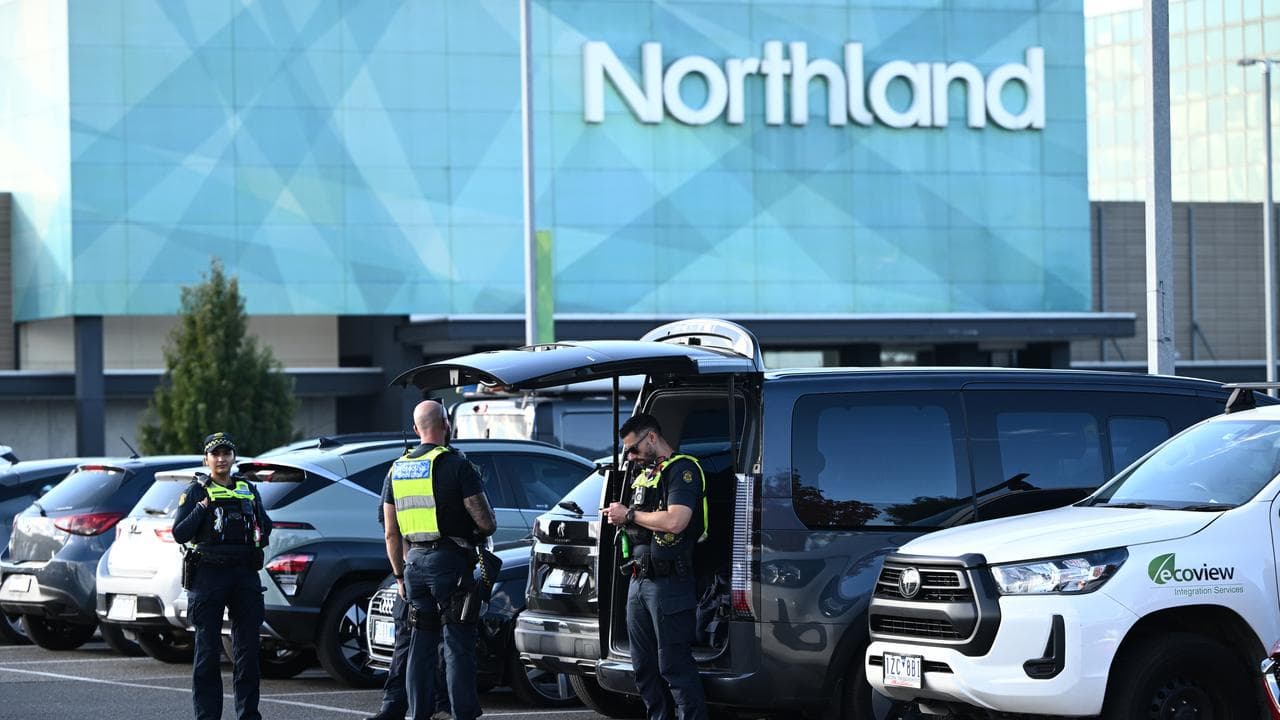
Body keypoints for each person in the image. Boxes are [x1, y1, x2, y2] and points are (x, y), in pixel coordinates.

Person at [384, 400, 496, 720]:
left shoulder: (398, 468)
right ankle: (463, 714)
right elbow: (486, 521)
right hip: (451, 564)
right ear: (446, 424)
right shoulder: (455, 464)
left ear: (416, 429)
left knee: (421, 644)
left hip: (414, 565)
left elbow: (392, 533)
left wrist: (399, 576)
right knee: (457, 644)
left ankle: (418, 713)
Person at [605, 414, 709, 720]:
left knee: (673, 665)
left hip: (669, 583)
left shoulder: (683, 469)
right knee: (643, 667)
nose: (631, 457)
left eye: (634, 449)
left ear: (651, 438)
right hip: (639, 580)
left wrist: (630, 516)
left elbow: (677, 521)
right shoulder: (644, 475)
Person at [172, 432, 272, 720]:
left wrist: (253, 537)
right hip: (208, 574)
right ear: (206, 459)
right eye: (215, 454)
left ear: (233, 457)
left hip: (243, 574)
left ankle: (248, 715)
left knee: (248, 653)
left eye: (226, 453)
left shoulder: (247, 489)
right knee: (207, 653)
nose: (221, 458)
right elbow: (180, 532)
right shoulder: (196, 491)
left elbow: (265, 527)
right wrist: (202, 509)